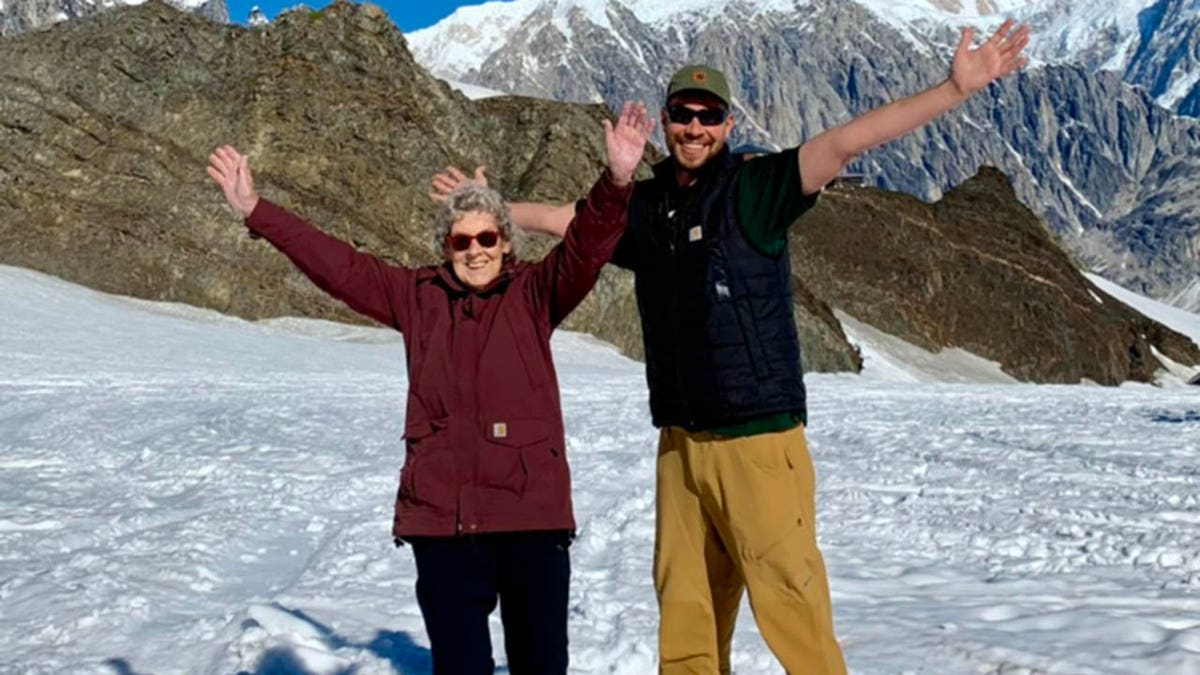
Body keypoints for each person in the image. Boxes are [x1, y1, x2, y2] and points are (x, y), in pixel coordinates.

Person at [432, 19, 1030, 675]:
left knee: (792, 609)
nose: (694, 127)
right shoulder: (649, 206)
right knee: (686, 617)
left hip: (758, 440)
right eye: (682, 114)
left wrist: (952, 88)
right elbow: (572, 223)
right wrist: (490, 208)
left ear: (728, 122)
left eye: (707, 115)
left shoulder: (756, 189)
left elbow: (848, 141)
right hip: (681, 445)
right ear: (664, 121)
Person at [207, 102, 655, 674]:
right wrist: (255, 210)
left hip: (529, 522)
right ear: (445, 245)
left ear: (506, 242)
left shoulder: (535, 294)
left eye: (488, 237)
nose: (476, 250)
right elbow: (336, 265)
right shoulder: (415, 297)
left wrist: (617, 180)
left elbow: (589, 244)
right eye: (461, 241)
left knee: (541, 664)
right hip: (445, 525)